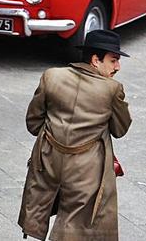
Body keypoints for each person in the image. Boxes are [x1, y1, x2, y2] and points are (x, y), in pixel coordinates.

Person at [19, 29, 132, 241]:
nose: (117, 67)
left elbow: (33, 123)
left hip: (48, 162)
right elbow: (120, 129)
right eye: (114, 60)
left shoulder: (51, 76)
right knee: (76, 224)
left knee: (42, 205)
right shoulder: (112, 89)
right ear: (95, 60)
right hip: (86, 171)